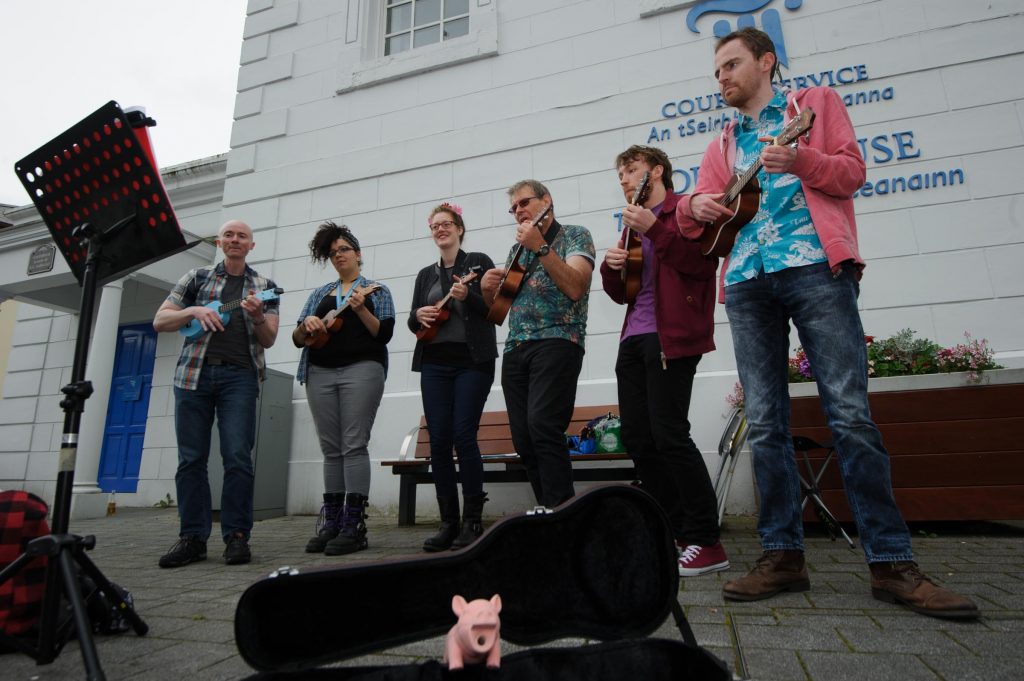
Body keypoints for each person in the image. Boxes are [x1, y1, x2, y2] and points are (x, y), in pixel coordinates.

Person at [676, 27, 977, 618]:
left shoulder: (813, 106)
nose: (722, 78)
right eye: (716, 71)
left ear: (767, 62)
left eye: (731, 65)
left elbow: (851, 172)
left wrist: (800, 158)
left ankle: (891, 563)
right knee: (764, 423)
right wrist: (695, 205)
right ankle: (782, 557)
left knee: (850, 414)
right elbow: (696, 218)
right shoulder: (723, 141)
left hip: (816, 269)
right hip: (745, 281)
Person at [600, 145, 728, 577]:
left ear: (656, 171)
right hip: (633, 338)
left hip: (671, 337)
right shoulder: (634, 225)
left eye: (630, 169)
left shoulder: (684, 211)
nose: (623, 178)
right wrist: (610, 266)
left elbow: (700, 264)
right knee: (638, 436)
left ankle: (707, 540)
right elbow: (622, 293)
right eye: (620, 172)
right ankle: (677, 531)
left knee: (669, 434)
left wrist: (655, 228)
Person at [153, 219, 280, 568]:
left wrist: (256, 317)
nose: (235, 239)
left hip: (240, 376)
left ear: (251, 245)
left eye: (242, 236)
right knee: (191, 458)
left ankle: (237, 536)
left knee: (238, 456)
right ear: (219, 241)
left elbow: (269, 338)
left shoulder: (264, 287)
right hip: (193, 376)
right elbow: (160, 320)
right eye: (229, 234)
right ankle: (192, 537)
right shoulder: (195, 278)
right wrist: (193, 310)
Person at [481, 180, 596, 509]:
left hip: (558, 340)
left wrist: (541, 247)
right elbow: (499, 311)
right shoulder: (516, 250)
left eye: (524, 203)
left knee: (544, 425)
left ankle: (563, 513)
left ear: (547, 200)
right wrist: (489, 289)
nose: (518, 211)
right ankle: (549, 508)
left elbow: (576, 287)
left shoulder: (575, 234)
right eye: (513, 207)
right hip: (517, 349)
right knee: (524, 437)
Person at [294, 222, 394, 556]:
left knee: (353, 443)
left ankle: (354, 524)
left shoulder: (376, 290)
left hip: (362, 370)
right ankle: (333, 521)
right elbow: (297, 339)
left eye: (344, 250)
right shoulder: (318, 294)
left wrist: (360, 307)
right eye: (333, 252)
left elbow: (383, 334)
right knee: (330, 448)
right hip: (319, 373)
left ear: (358, 254)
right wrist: (307, 325)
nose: (338, 256)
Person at [409, 203, 497, 551]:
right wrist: (419, 314)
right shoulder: (425, 275)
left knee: (463, 434)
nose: (441, 229)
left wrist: (469, 295)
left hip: (472, 362)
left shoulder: (479, 262)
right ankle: (448, 522)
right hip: (434, 363)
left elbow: (494, 309)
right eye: (435, 225)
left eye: (447, 224)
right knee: (439, 439)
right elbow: (413, 324)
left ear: (460, 229)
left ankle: (472, 520)